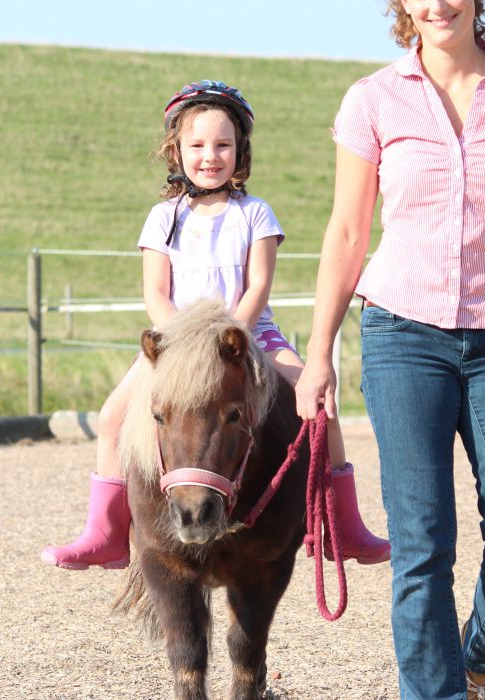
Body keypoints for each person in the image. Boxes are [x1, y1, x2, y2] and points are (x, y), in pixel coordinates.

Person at [294, 1, 485, 698]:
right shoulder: (373, 100)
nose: (437, 4)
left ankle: (477, 657)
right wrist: (318, 352)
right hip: (401, 337)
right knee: (422, 547)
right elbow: (346, 232)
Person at [42, 80, 390, 572]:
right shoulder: (163, 218)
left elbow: (257, 288)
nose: (211, 156)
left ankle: (339, 524)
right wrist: (186, 344)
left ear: (240, 151)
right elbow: (155, 295)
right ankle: (106, 532)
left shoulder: (255, 214)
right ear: (176, 151)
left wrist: (228, 340)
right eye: (197, 145)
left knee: (320, 406)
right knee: (112, 418)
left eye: (223, 145)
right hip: (177, 347)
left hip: (250, 336)